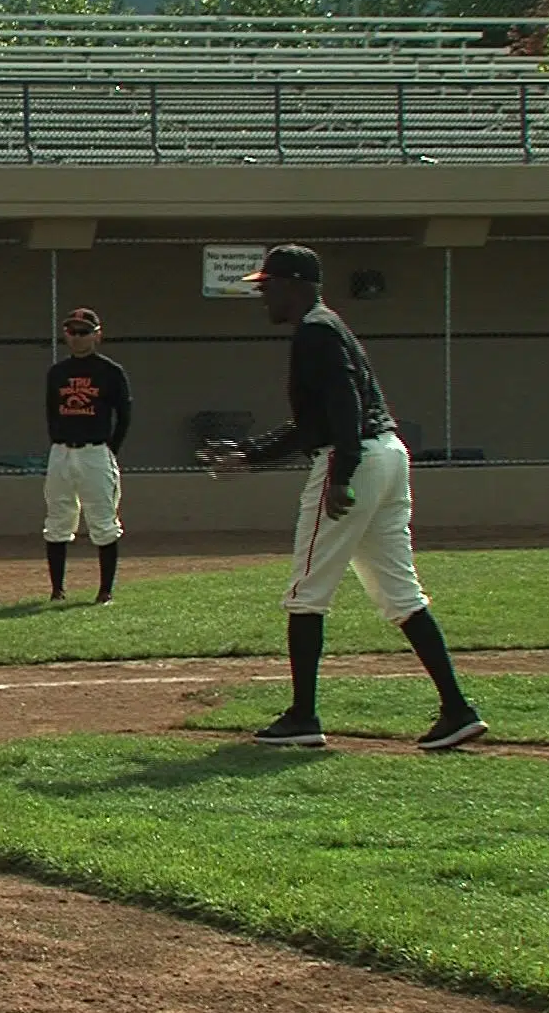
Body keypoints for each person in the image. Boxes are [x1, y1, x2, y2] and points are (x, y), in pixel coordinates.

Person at [198, 243, 488, 751]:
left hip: (352, 457)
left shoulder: (315, 331)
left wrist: (340, 476)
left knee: (306, 592)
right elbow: (317, 419)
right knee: (401, 595)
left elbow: (343, 408)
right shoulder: (329, 328)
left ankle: (303, 717)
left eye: (270, 286)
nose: (265, 296)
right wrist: (252, 453)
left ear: (297, 285)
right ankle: (457, 709)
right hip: (388, 455)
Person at [42, 308, 131, 603]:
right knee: (57, 520)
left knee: (103, 522)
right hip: (62, 452)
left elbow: (125, 415)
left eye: (84, 332)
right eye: (72, 332)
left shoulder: (110, 371)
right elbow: (51, 413)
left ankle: (105, 591)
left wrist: (109, 448)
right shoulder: (57, 372)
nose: (77, 337)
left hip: (95, 452)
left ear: (97, 335)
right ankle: (57, 590)